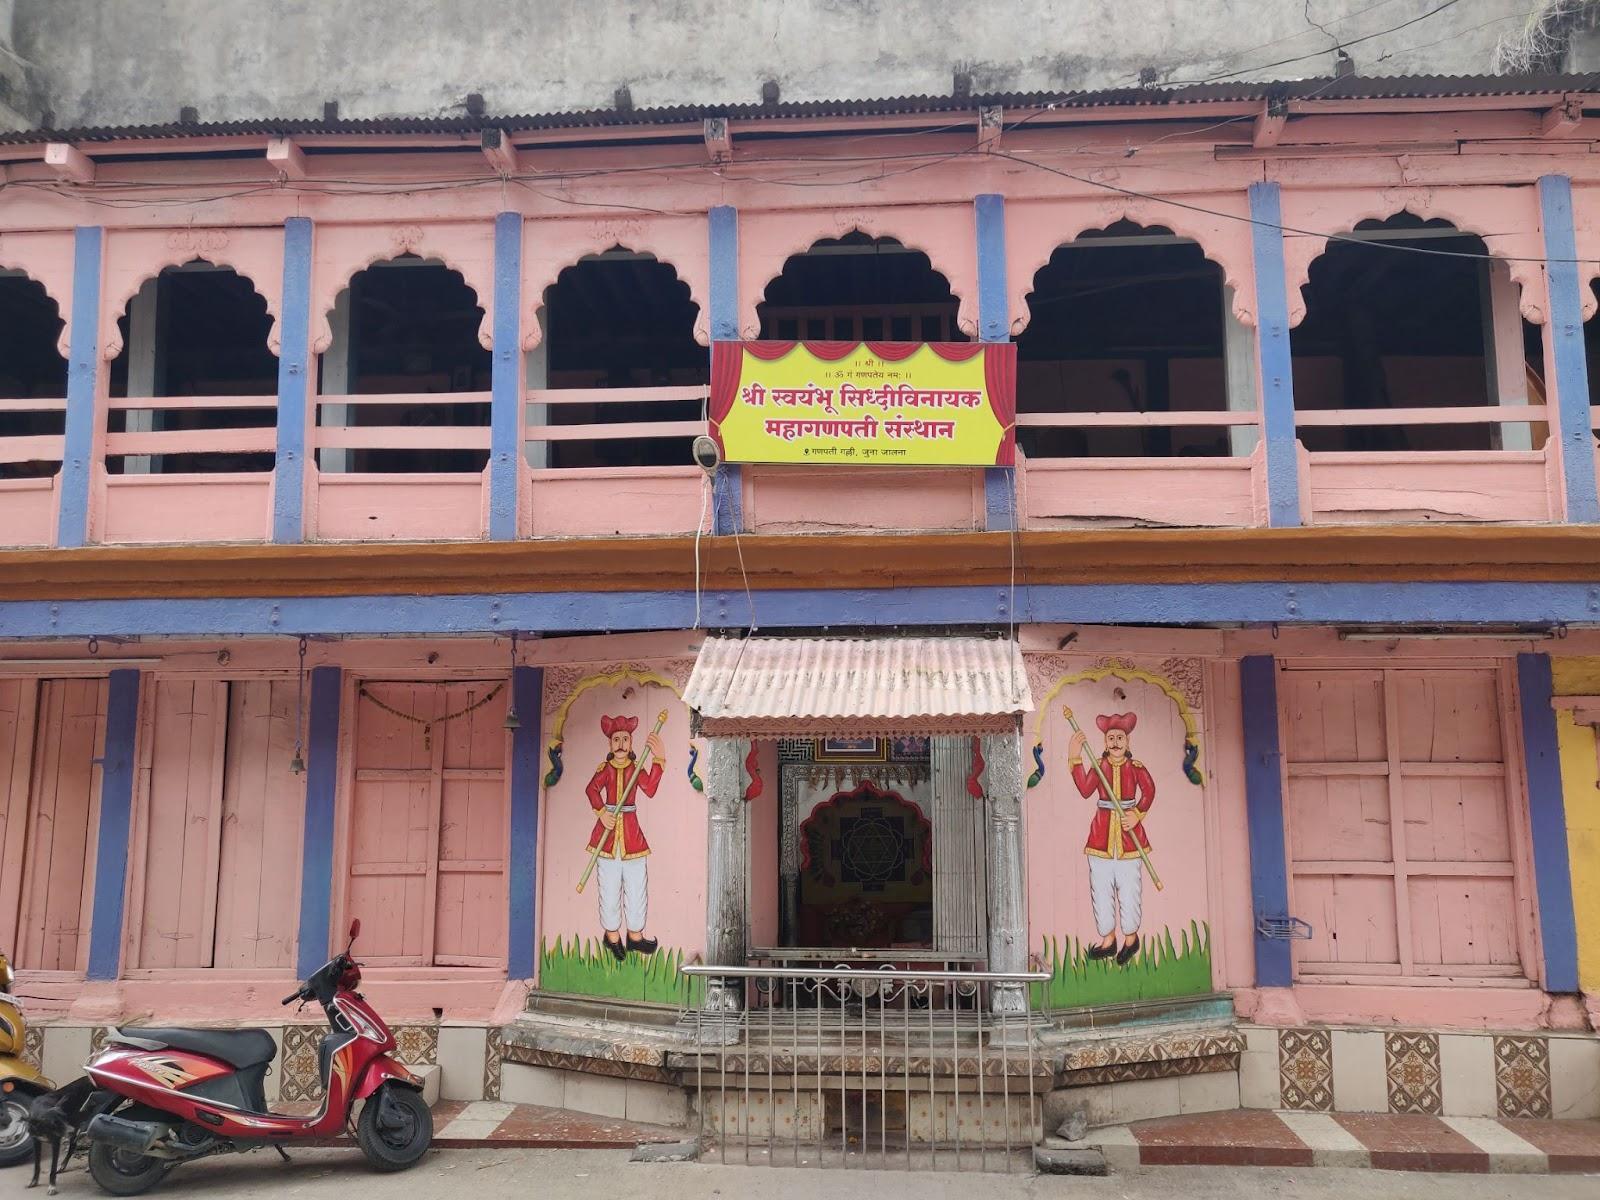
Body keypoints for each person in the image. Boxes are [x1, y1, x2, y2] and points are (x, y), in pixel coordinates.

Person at [1068, 712, 1155, 966]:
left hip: (1129, 840)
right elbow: (1085, 789)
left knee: (1129, 888)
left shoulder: (1136, 768)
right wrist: (1074, 756)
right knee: (1101, 887)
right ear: (1105, 742)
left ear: (1127, 741)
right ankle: (1108, 940)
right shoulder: (1099, 766)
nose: (1115, 742)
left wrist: (1137, 814)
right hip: (1101, 839)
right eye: (1111, 738)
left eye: (1120, 737)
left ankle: (1131, 939)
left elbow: (1149, 791)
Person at [584, 714, 665, 960]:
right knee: (609, 888)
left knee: (636, 886)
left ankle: (635, 936)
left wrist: (659, 758)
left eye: (625, 739)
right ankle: (612, 936)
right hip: (606, 838)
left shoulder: (635, 768)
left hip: (632, 838)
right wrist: (601, 813)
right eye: (616, 739)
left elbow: (650, 789)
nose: (620, 744)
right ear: (610, 744)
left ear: (631, 743)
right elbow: (591, 789)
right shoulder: (605, 769)